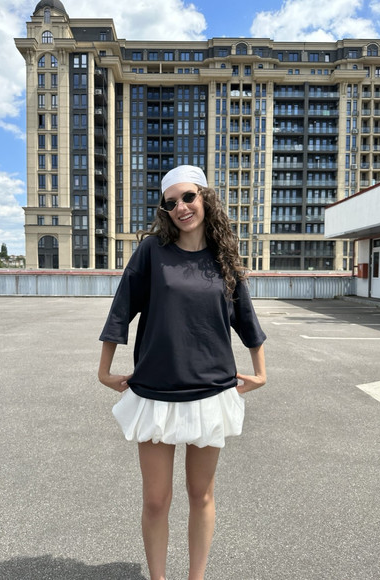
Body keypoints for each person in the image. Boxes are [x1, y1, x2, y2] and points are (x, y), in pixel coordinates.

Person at [98, 165, 266, 580]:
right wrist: (104, 370)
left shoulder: (223, 258)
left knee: (201, 495)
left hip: (210, 390)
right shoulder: (152, 252)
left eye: (188, 197)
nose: (181, 207)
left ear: (205, 198)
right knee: (156, 500)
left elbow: (246, 319)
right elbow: (121, 309)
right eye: (171, 202)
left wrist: (260, 373)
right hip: (155, 390)